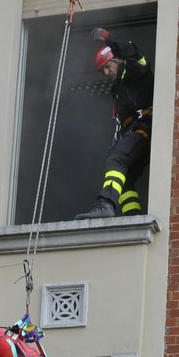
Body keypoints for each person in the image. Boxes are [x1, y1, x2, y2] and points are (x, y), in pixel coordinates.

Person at [75, 26, 155, 220]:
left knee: (116, 159)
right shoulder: (118, 89)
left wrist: (107, 37)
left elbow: (134, 53)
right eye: (102, 70)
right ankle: (132, 217)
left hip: (144, 126)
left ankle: (106, 204)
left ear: (117, 59)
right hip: (134, 130)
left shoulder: (135, 70)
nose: (105, 72)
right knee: (125, 179)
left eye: (107, 66)